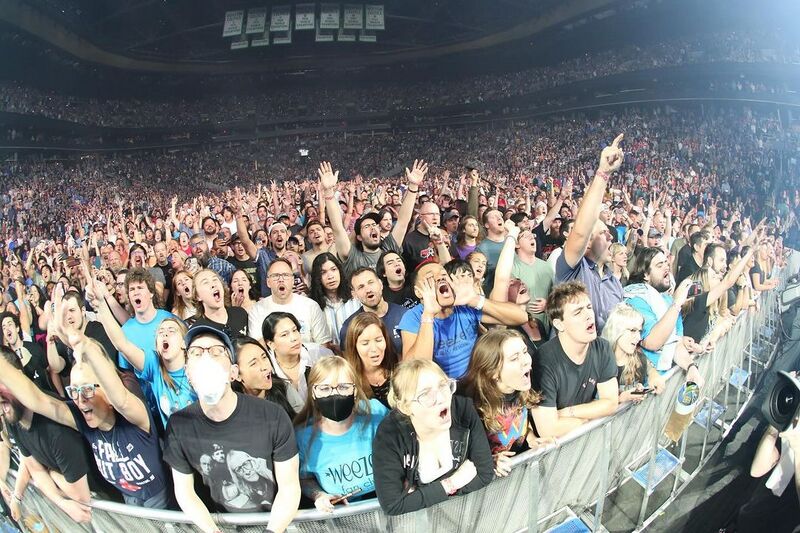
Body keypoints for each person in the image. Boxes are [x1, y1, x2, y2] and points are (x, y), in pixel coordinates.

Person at [0, 330, 170, 508]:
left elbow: (122, 399)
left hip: (161, 502)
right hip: (129, 499)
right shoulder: (83, 420)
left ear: (108, 391)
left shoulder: (135, 417)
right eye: (74, 390)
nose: (80, 400)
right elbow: (38, 400)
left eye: (87, 389)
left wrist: (87, 345)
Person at [163, 324, 300, 530]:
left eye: (217, 352)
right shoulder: (179, 425)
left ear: (233, 372)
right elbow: (185, 492)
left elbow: (289, 487)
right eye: (196, 353)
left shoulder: (273, 416)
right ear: (187, 373)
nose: (206, 359)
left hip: (275, 523)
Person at [372, 359, 494, 516]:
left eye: (443, 386)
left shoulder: (463, 410)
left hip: (465, 513)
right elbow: (393, 505)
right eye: (426, 394)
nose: (441, 398)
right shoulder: (389, 435)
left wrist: (420, 496)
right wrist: (451, 484)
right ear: (406, 407)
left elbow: (485, 474)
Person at [0, 346, 94, 523]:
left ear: (17, 379)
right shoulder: (13, 417)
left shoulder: (55, 428)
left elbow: (81, 497)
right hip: (85, 513)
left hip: (110, 504)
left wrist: (50, 474)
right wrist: (61, 502)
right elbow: (34, 469)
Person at [398, 261, 527, 379]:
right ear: (419, 292)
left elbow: (521, 317)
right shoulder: (413, 317)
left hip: (480, 376)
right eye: (431, 277)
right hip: (446, 386)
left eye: (444, 274)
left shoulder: (464, 304)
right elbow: (415, 371)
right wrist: (428, 315)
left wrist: (474, 299)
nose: (440, 278)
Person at [294, 356, 388, 512]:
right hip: (343, 513)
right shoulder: (303, 437)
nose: (334, 394)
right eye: (325, 388)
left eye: (343, 387)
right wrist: (319, 495)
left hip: (387, 504)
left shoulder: (376, 413)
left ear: (355, 390)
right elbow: (304, 478)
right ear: (313, 393)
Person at [531, 281, 619, 438]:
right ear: (559, 324)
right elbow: (548, 429)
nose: (589, 315)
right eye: (578, 312)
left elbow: (611, 403)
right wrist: (587, 420)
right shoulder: (543, 362)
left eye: (589, 307)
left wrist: (568, 413)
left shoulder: (602, 348)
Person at [555, 134, 625, 333]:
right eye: (603, 233)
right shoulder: (572, 270)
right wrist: (603, 173)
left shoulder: (614, 282)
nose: (611, 237)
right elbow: (580, 232)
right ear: (587, 243)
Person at [460, 330, 549, 478]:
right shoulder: (469, 408)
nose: (526, 361)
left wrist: (532, 439)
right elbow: (460, 458)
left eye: (525, 351)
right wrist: (490, 461)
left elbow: (522, 426)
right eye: (514, 359)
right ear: (492, 372)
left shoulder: (521, 387)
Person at [318, 160, 424, 279]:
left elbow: (403, 221)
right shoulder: (353, 257)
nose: (373, 227)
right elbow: (338, 228)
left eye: (374, 225)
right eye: (367, 226)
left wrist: (413, 186)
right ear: (359, 237)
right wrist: (328, 191)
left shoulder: (388, 248)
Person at [623, 247, 705, 385]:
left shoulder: (667, 300)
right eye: (659, 265)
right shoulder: (635, 299)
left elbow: (676, 343)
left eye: (666, 263)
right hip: (645, 384)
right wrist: (677, 304)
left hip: (667, 380)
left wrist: (691, 367)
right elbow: (652, 342)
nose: (666, 267)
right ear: (646, 274)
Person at [247, 259, 332, 346]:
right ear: (268, 282)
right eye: (275, 276)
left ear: (292, 280)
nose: (281, 279)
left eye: (285, 275)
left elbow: (324, 345)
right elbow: (257, 347)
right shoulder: (257, 310)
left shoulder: (311, 306)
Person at [601, 303, 665, 404]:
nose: (639, 337)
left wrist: (653, 375)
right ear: (616, 330)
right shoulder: (598, 362)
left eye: (639, 331)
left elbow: (649, 368)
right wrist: (621, 399)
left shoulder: (639, 360)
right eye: (633, 330)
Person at [262, 312, 333, 402]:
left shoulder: (320, 354)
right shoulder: (266, 368)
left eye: (295, 330)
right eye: (284, 335)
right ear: (270, 344)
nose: (294, 338)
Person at [339, 267, 406, 354]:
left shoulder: (404, 315)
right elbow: (350, 360)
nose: (368, 290)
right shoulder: (349, 327)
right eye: (361, 287)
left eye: (371, 283)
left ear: (381, 284)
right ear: (354, 294)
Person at [232, 336, 302, 418]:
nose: (265, 366)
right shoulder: (231, 406)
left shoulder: (284, 390)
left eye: (264, 357)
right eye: (254, 363)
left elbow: (305, 421)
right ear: (237, 375)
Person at [342, 312, 398, 408]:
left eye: (378, 340)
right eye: (365, 343)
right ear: (354, 346)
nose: (374, 349)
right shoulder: (348, 378)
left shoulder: (398, 367)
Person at [308, 253, 360, 349]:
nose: (330, 276)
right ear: (317, 278)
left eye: (333, 269)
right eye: (323, 272)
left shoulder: (356, 299)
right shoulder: (313, 306)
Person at [0, 311, 53, 393]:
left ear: (17, 328)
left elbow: (50, 370)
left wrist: (60, 394)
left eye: (9, 324)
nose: (7, 329)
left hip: (46, 394)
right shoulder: (7, 359)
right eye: (4, 327)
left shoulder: (35, 348)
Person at [191, 269, 248, 338]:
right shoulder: (198, 331)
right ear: (197, 296)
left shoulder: (240, 313)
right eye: (205, 282)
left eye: (215, 279)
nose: (213, 285)